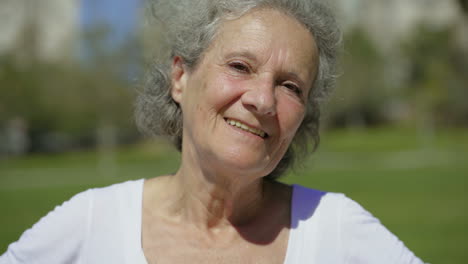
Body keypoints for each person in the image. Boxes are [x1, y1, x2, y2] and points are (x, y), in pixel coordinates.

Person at [1, 0, 426, 263]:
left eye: (290, 86)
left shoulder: (337, 231)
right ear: (180, 77)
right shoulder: (90, 225)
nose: (263, 99)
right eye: (240, 66)